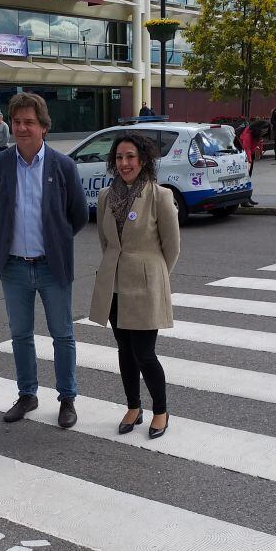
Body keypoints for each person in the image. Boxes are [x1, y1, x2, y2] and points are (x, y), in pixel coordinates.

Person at [0, 92, 87, 428]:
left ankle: (67, 398)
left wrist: (55, 239)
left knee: (62, 334)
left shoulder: (63, 166)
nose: (22, 128)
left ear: (43, 126)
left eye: (29, 122)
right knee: (21, 334)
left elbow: (79, 215)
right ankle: (27, 394)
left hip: (51, 265)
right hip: (13, 266)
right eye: (17, 122)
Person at [88, 132, 180, 440]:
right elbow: (105, 242)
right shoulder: (105, 197)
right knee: (124, 351)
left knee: (145, 353)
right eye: (119, 157)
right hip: (114, 284)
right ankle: (133, 406)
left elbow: (172, 247)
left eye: (130, 157)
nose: (124, 163)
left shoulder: (159, 196)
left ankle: (161, 410)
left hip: (145, 285)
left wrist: (152, 277)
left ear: (143, 160)